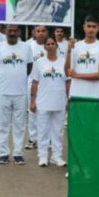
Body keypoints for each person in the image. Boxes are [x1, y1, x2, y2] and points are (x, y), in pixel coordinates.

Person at [0, 24, 32, 165]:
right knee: (3, 124)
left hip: (20, 92)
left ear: (19, 32)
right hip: (3, 92)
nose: (12, 33)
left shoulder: (26, 47)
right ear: (5, 32)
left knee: (19, 124)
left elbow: (29, 67)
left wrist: (17, 78)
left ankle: (18, 153)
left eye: (15, 31)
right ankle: (3, 153)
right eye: (10, 30)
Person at [30, 34, 68, 167]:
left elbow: (68, 82)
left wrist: (68, 99)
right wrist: (33, 101)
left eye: (53, 44)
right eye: (48, 44)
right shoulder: (39, 62)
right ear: (45, 47)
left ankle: (57, 157)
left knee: (58, 131)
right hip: (43, 101)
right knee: (43, 131)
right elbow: (34, 83)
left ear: (57, 46)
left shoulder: (64, 61)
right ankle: (43, 156)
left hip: (59, 101)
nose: (51, 46)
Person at [68, 16, 99, 99]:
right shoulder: (75, 46)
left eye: (94, 27)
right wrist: (69, 51)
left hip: (93, 96)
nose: (91, 29)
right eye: (89, 26)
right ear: (84, 27)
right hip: (76, 95)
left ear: (98, 28)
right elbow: (67, 71)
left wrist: (77, 75)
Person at [26, 26, 48, 150]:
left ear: (47, 33)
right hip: (32, 83)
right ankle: (32, 138)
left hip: (47, 84)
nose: (40, 33)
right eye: (38, 31)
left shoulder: (51, 45)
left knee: (46, 111)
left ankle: (45, 139)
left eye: (43, 31)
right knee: (32, 110)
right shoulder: (28, 46)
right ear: (34, 33)